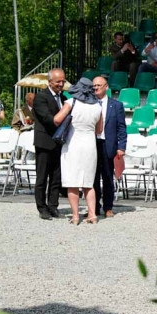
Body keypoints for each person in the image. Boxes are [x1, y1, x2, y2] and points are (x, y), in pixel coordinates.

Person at [57, 78, 103, 225]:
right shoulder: (97, 106)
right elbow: (99, 129)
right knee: (88, 183)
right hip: (89, 145)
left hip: (73, 144)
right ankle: (92, 215)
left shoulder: (71, 102)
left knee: (73, 182)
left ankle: (76, 216)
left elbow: (57, 119)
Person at [32, 68, 67, 220]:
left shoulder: (64, 98)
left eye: (63, 81)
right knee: (42, 177)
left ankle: (53, 206)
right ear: (50, 82)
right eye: (58, 81)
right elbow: (47, 119)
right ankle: (42, 208)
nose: (61, 84)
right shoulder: (41, 97)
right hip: (45, 142)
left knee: (56, 177)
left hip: (58, 143)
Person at [91, 76, 127, 219]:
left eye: (98, 85)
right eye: (94, 85)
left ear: (106, 87)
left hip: (108, 144)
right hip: (92, 144)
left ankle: (108, 207)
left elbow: (121, 127)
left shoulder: (116, 105)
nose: (95, 88)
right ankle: (93, 207)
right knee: (93, 178)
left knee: (107, 177)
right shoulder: (89, 104)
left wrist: (121, 147)